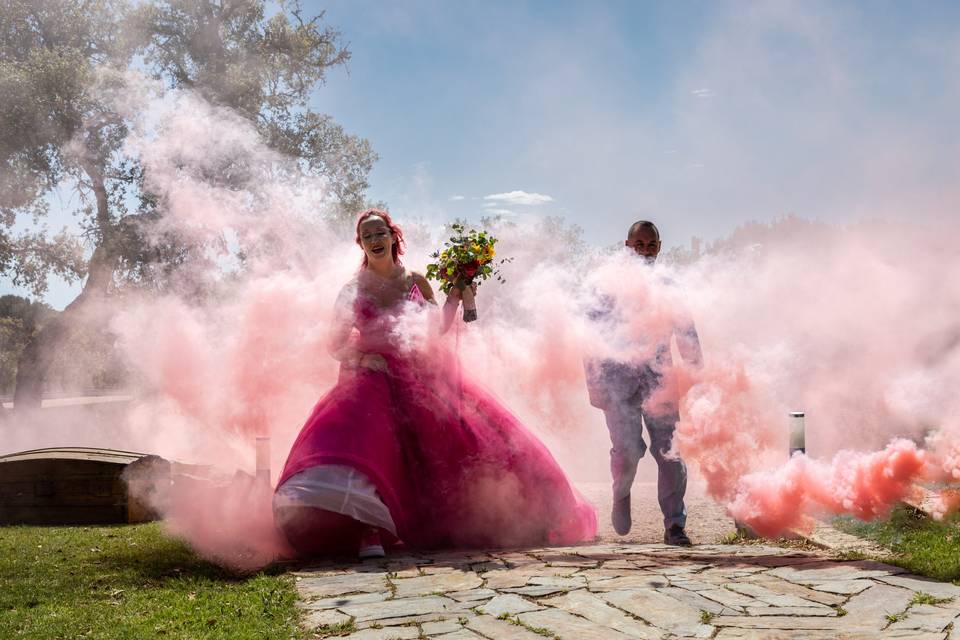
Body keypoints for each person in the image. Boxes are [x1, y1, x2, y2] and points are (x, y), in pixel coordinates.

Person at [273, 209, 597, 559]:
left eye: (380, 233)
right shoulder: (351, 291)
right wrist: (365, 359)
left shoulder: (416, 280)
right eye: (367, 236)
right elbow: (334, 345)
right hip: (372, 377)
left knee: (471, 441)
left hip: (417, 376)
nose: (375, 241)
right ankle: (368, 529)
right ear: (360, 244)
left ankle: (517, 514)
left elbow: (435, 332)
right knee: (365, 440)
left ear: (394, 236)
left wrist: (456, 297)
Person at [584, 220, 703, 546]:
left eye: (651, 246)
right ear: (627, 246)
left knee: (669, 453)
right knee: (628, 451)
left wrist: (695, 367)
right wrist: (594, 383)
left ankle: (675, 526)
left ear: (659, 247)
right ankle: (621, 494)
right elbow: (589, 336)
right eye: (639, 245)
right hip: (616, 381)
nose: (645, 251)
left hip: (659, 379)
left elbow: (685, 327)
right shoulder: (605, 285)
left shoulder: (668, 285)